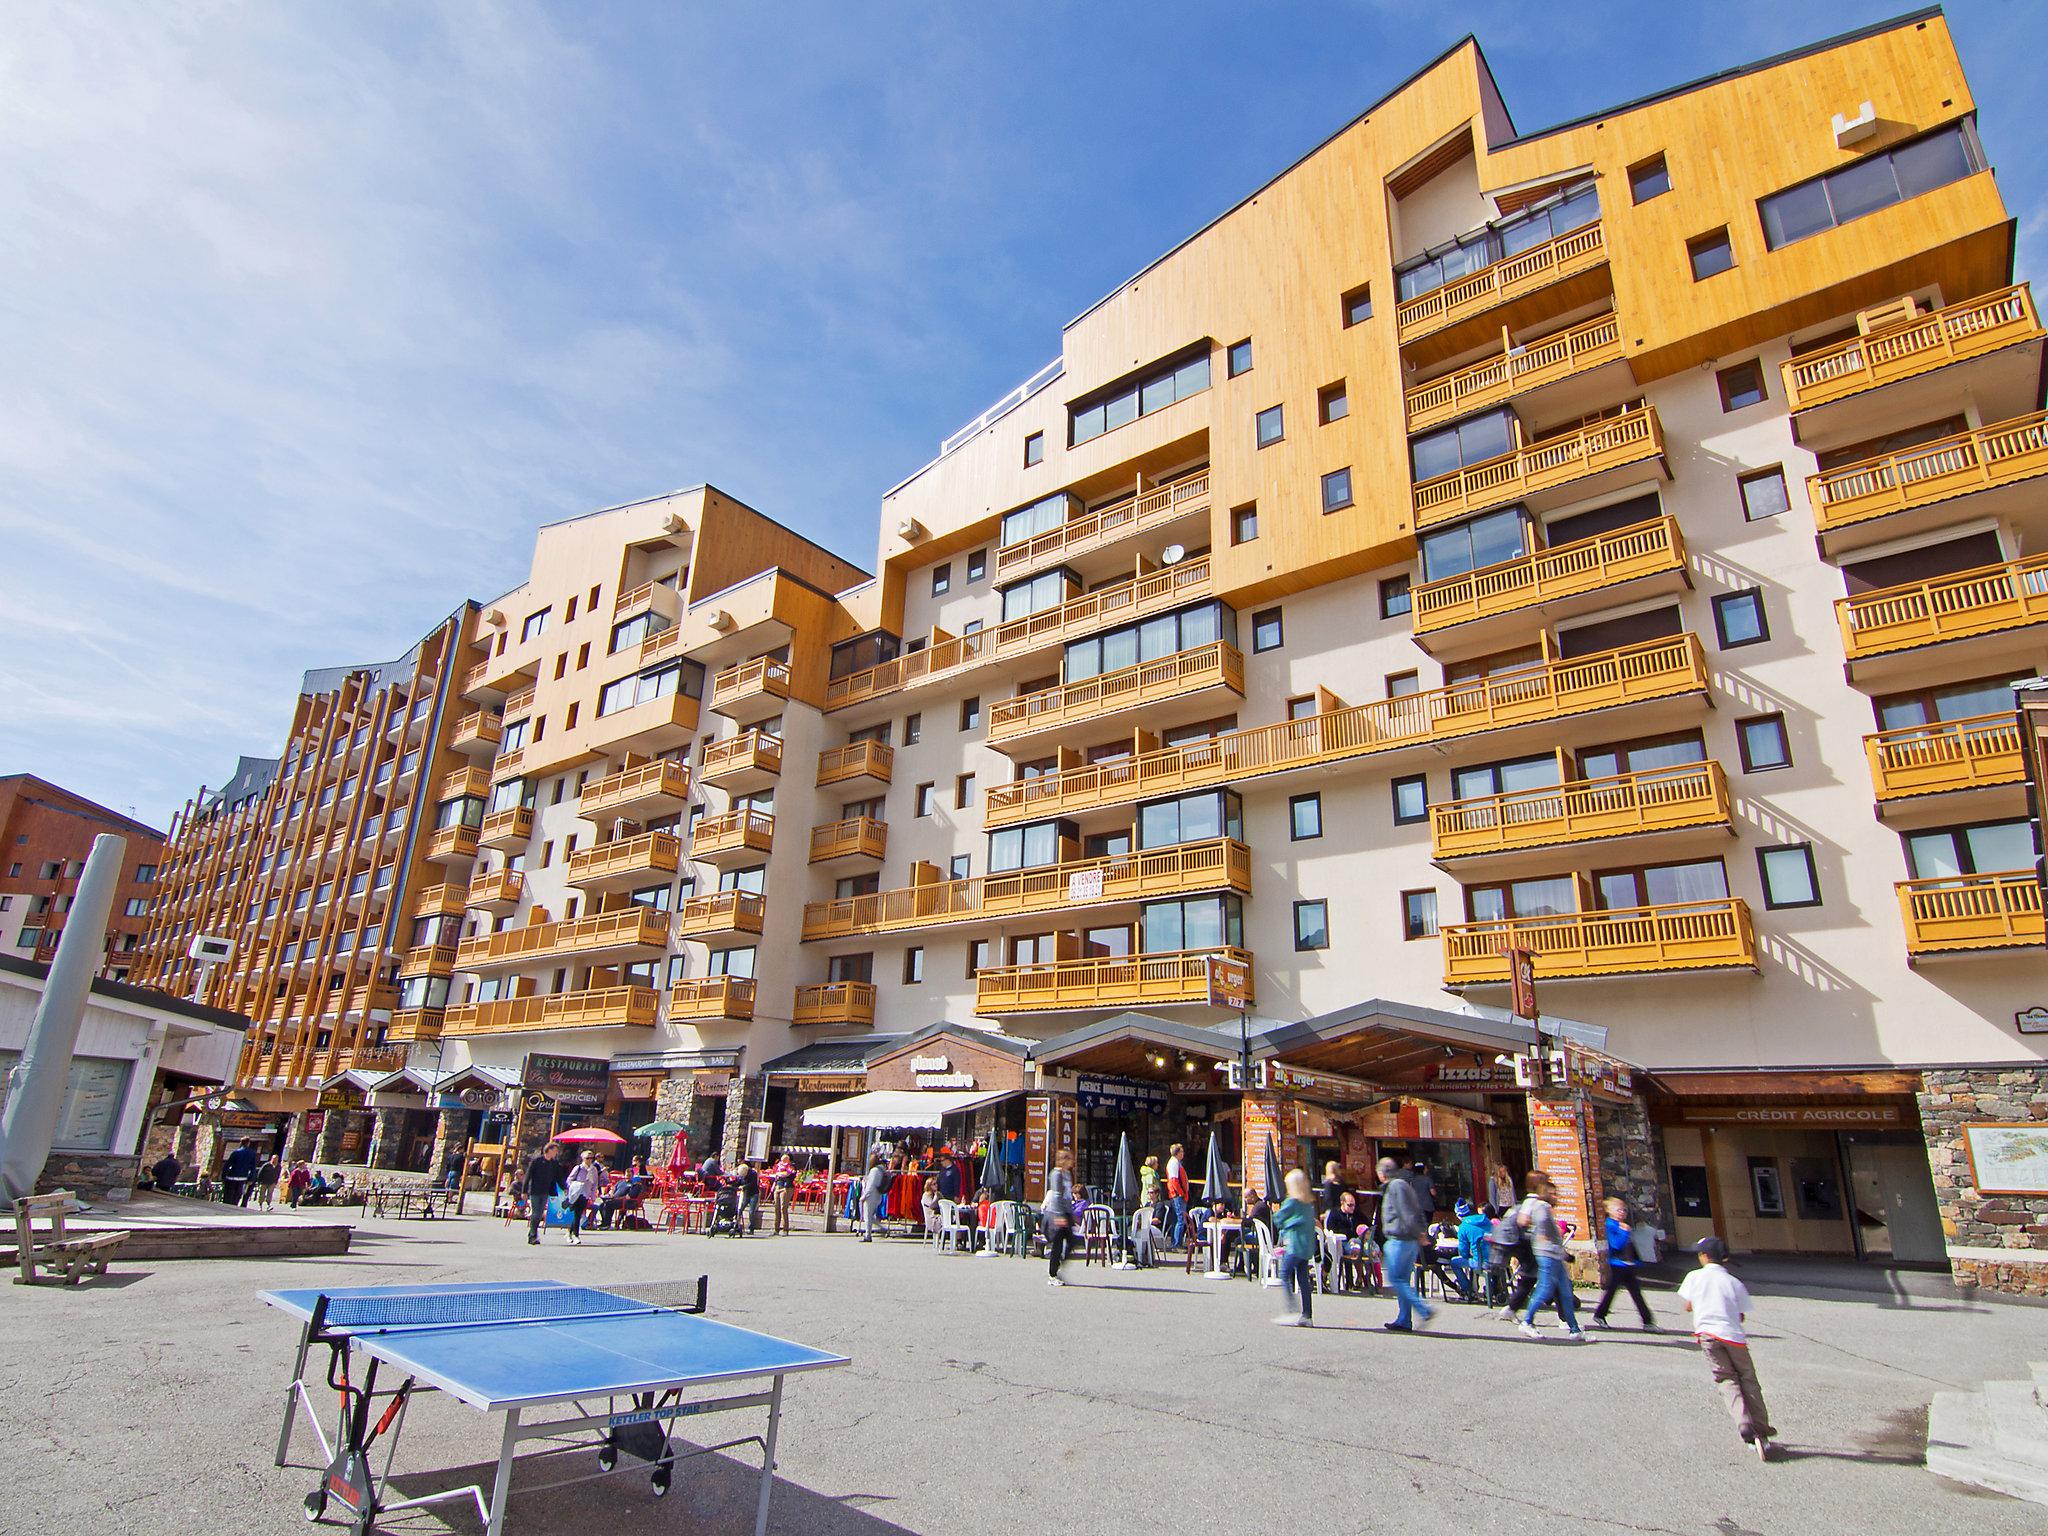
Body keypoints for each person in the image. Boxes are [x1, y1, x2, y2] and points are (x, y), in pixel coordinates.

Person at [1679, 1237, 1777, 1460]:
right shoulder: (1733, 1282)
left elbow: (1688, 1305)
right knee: (1748, 1380)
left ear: (1703, 1256)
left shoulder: (1694, 1277)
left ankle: (1743, 1423)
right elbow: (1741, 1313)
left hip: (1707, 1336)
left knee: (1726, 1379)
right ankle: (1761, 1430)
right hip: (1733, 1338)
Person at [1517, 1171, 1587, 1342]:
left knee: (1565, 1291)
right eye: (1553, 1193)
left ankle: (1575, 1329)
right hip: (1547, 1254)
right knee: (1545, 1289)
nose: (1556, 1196)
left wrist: (1563, 1253)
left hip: (1554, 1253)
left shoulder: (1540, 1206)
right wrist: (1543, 1235)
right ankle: (1527, 1321)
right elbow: (1538, 1224)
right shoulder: (1541, 1206)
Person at [1378, 1156, 1433, 1332]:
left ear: (1382, 1173)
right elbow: (1417, 1210)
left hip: (1401, 1238)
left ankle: (1423, 1309)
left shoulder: (1396, 1186)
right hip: (1406, 1239)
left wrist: (1419, 1234)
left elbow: (1407, 1213)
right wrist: (1422, 1230)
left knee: (1396, 1279)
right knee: (1402, 1280)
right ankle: (1404, 1320)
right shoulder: (1402, 1185)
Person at [1592, 1197, 1659, 1331]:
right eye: (1619, 1210)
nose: (1622, 1212)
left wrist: (1636, 1261)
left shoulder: (1622, 1225)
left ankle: (1648, 1322)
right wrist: (1624, 1231)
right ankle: (1600, 1314)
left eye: (1624, 1210)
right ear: (1610, 1211)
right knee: (1612, 1291)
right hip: (1617, 1265)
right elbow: (1616, 1245)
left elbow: (1630, 1246)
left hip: (1627, 1264)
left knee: (1635, 1293)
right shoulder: (1611, 1225)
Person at [1272, 1168, 1318, 1327]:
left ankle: (1291, 1310)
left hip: (1293, 1245)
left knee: (1284, 1274)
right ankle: (1307, 1315)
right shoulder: (1308, 1204)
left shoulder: (1291, 1202)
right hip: (1306, 1248)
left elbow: (1277, 1218)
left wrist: (1286, 1225)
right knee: (1303, 1280)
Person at [1042, 1149, 1077, 1286]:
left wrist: (1070, 1213)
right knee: (1057, 1244)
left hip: (1066, 1211)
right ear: (1063, 1160)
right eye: (1070, 1159)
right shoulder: (1056, 1174)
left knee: (1072, 1241)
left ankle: (1059, 1263)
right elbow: (1056, 1195)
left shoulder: (1067, 1173)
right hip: (1056, 1212)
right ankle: (1052, 1274)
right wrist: (1059, 1215)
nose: (1072, 1162)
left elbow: (1067, 1195)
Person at [525, 1141, 566, 1246]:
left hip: (546, 1191)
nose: (556, 1153)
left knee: (539, 1214)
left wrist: (564, 1188)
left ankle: (533, 1234)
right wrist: (524, 1191)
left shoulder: (554, 1163)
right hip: (535, 1190)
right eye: (555, 1151)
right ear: (549, 1150)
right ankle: (532, 1235)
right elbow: (528, 1176)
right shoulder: (537, 1161)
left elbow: (558, 1177)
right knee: (536, 1213)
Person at [562, 1149, 603, 1245]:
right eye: (587, 1158)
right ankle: (576, 1235)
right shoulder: (579, 1168)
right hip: (577, 1194)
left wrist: (593, 1196)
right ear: (583, 1159)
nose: (589, 1160)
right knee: (577, 1214)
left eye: (591, 1158)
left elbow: (594, 1184)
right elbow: (569, 1180)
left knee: (578, 1215)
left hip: (585, 1194)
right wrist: (575, 1185)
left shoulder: (593, 1169)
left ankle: (569, 1232)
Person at [859, 1154, 889, 1242]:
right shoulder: (881, 1170)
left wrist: (864, 1196)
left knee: (867, 1216)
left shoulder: (874, 1171)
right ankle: (882, 1228)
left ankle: (868, 1235)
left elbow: (871, 1185)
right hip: (878, 1195)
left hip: (871, 1196)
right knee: (870, 1216)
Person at [1164, 1143, 1189, 1248]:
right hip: (1177, 1195)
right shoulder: (1174, 1163)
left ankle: (1175, 1242)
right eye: (1182, 1152)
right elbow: (1174, 1180)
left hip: (1177, 1194)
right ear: (1177, 1153)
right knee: (1180, 1219)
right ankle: (1177, 1244)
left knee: (1176, 1219)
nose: (1183, 1154)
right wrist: (1181, 1193)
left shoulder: (1176, 1162)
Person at [221, 1139, 258, 1207]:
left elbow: (227, 1165)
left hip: (232, 1176)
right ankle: (234, 1207)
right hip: (242, 1177)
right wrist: (251, 1179)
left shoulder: (236, 1152)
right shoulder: (252, 1154)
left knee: (228, 1194)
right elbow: (253, 1167)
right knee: (237, 1194)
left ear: (241, 1143)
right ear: (248, 1143)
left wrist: (223, 1176)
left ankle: (226, 1207)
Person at [770, 1154, 796, 1235]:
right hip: (778, 1185)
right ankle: (776, 1229)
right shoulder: (779, 1166)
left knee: (783, 1207)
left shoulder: (791, 1166)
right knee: (776, 1207)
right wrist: (773, 1186)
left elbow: (788, 1174)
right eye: (782, 1160)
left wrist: (780, 1174)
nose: (783, 1161)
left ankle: (785, 1229)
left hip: (786, 1187)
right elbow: (776, 1176)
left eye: (785, 1160)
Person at [738, 1160, 762, 1234]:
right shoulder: (742, 1175)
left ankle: (751, 1228)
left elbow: (752, 1184)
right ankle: (736, 1225)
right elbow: (739, 1182)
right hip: (746, 1194)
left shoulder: (753, 1173)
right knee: (740, 1209)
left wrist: (744, 1187)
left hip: (753, 1194)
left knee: (751, 1211)